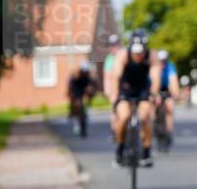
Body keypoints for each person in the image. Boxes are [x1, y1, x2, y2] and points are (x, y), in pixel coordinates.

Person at [106, 30, 162, 167]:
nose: (138, 55)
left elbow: (155, 78)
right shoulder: (123, 55)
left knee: (144, 116)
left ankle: (146, 152)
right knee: (124, 116)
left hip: (143, 89)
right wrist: (114, 95)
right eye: (135, 52)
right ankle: (120, 149)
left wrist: (154, 94)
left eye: (141, 52)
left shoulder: (152, 56)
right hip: (125, 88)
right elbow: (115, 77)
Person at [156, 49, 181, 143]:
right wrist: (155, 95)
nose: (162, 63)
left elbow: (173, 80)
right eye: (160, 61)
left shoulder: (170, 66)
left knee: (170, 106)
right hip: (155, 89)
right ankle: (153, 124)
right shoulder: (154, 67)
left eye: (164, 60)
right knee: (151, 105)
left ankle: (169, 130)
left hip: (166, 89)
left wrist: (176, 93)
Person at [67, 61, 96, 135]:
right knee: (77, 104)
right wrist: (71, 94)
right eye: (84, 71)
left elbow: (90, 85)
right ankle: (73, 115)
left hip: (82, 90)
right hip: (76, 91)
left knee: (90, 91)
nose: (85, 73)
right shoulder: (75, 77)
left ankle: (88, 106)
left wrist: (90, 91)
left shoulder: (87, 77)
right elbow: (71, 87)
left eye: (86, 71)